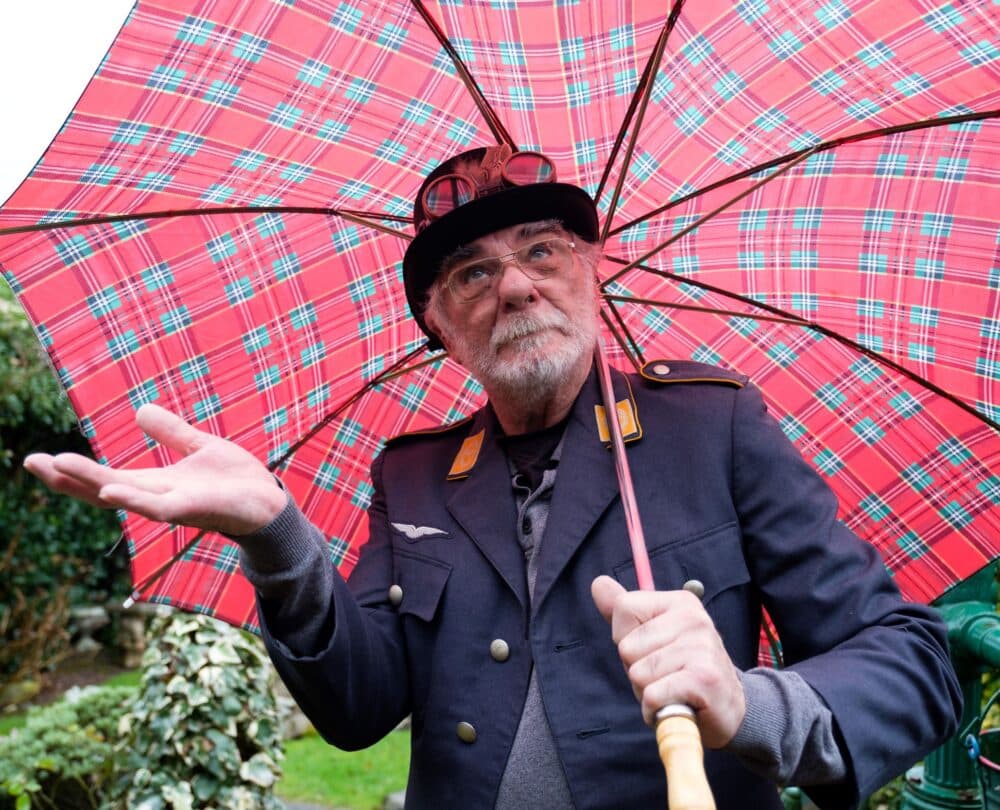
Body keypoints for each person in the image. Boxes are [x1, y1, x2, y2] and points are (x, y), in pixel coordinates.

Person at [25, 144, 961, 809]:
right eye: (471, 274)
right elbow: (357, 708)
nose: (514, 286)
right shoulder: (415, 476)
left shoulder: (711, 427)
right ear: (438, 324)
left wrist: (750, 704)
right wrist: (276, 533)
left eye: (542, 251)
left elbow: (913, 663)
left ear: (592, 271)